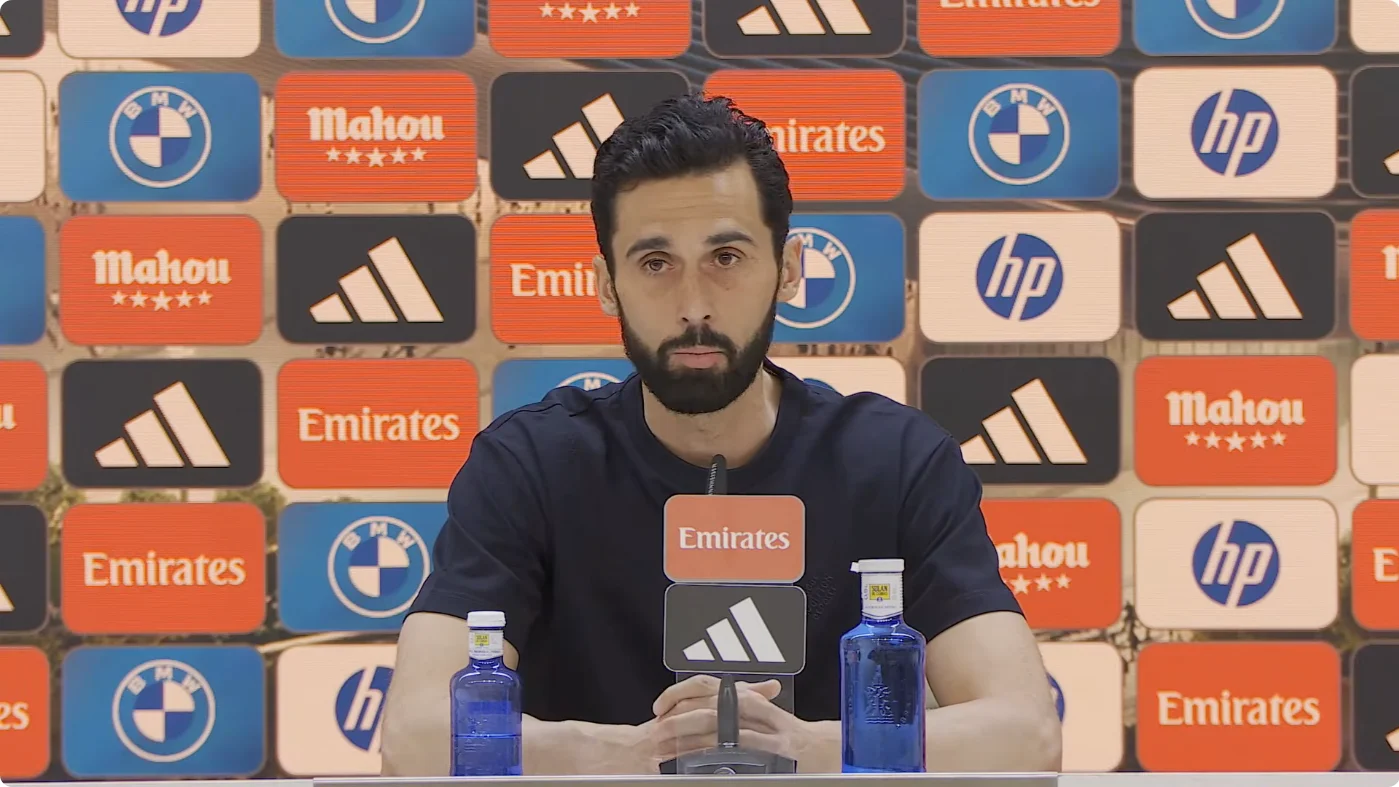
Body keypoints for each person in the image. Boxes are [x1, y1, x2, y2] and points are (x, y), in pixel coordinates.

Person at [380, 92, 1061, 776]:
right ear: (606, 284)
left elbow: (1025, 733)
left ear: (787, 270)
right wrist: (634, 751)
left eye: (726, 257)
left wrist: (804, 749)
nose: (693, 304)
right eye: (654, 263)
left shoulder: (897, 460)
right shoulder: (527, 463)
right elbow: (413, 735)